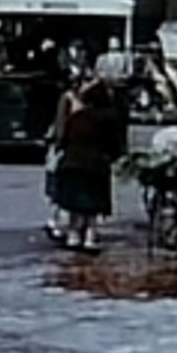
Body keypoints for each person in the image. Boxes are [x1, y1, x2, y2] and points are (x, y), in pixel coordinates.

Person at [53, 80, 124, 250]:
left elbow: (63, 139)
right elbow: (115, 143)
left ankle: (74, 235)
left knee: (74, 204)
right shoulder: (109, 117)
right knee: (93, 205)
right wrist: (114, 156)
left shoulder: (77, 117)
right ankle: (90, 237)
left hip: (71, 163)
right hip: (96, 164)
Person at [44, 73, 84, 240]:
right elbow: (61, 123)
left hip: (75, 150)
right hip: (67, 149)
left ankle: (66, 224)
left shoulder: (85, 101)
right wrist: (60, 144)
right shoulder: (68, 99)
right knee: (60, 187)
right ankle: (59, 223)